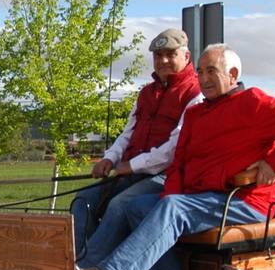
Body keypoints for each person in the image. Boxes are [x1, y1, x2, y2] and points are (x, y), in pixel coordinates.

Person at [76, 44, 275, 270]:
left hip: (243, 202)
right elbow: (179, 164)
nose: (203, 78)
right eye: (200, 71)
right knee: (137, 206)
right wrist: (169, 195)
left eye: (211, 71)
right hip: (203, 201)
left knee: (173, 208)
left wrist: (274, 163)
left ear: (231, 73)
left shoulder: (253, 103)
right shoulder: (195, 113)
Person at [70, 27, 202, 251]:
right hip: (133, 173)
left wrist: (131, 165)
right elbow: (128, 133)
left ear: (186, 56)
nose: (163, 61)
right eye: (158, 56)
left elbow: (173, 149)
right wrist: (110, 159)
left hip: (165, 177)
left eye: (170, 54)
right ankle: (77, 261)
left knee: (120, 205)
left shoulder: (195, 95)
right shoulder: (146, 93)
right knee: (83, 201)